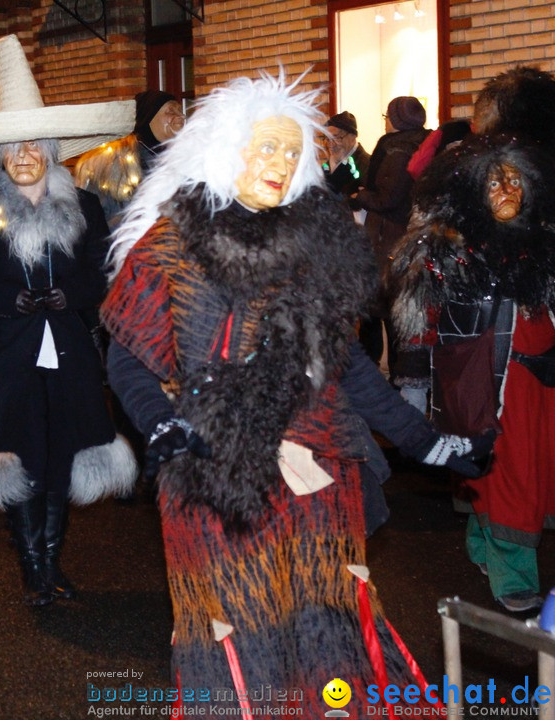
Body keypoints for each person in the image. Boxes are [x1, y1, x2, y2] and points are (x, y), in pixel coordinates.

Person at [101, 71, 490, 713]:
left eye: (292, 151)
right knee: (236, 632)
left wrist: (427, 443)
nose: (281, 163)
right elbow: (127, 357)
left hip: (317, 472)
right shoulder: (170, 242)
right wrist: (161, 425)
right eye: (266, 145)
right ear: (226, 149)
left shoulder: (314, 246)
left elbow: (349, 369)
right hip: (214, 468)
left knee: (328, 628)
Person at [0, 34, 139, 606]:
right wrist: (10, 300)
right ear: (0, 158)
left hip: (69, 351)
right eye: (13, 147)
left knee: (61, 454)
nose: (24, 154)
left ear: (51, 150)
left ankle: (51, 564)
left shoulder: (83, 207)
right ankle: (32, 568)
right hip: (6, 355)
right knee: (20, 457)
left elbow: (103, 269)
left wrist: (73, 294)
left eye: (35, 144)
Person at [389, 135, 555, 613]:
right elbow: (416, 331)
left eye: (514, 179)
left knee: (516, 473)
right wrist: (413, 399)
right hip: (479, 385)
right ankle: (515, 575)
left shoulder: (543, 239)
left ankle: (484, 544)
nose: (507, 190)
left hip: (537, 385)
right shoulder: (443, 250)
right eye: (494, 181)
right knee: (510, 478)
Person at [351, 96, 429, 377]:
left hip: (389, 237)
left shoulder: (397, 150)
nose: (384, 120)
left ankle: (395, 374)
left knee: (386, 305)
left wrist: (359, 195)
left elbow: (388, 198)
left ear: (396, 119)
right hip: (406, 234)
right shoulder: (423, 142)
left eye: (387, 115)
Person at [74, 90, 185, 223]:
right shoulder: (114, 167)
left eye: (180, 110)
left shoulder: (186, 161)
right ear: (148, 118)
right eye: (170, 111)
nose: (181, 116)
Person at [321, 110, 369, 199]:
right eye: (327, 139)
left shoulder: (367, 165)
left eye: (337, 138)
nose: (331, 144)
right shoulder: (326, 166)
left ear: (352, 136)